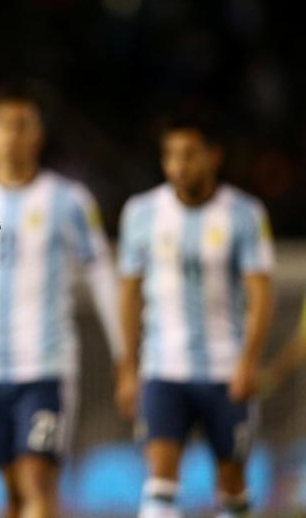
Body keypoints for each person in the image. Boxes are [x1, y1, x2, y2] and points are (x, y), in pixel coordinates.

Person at [0, 88, 121, 518]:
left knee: (37, 477)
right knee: (11, 490)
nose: (14, 136)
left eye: (23, 125)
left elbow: (103, 277)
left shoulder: (67, 200)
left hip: (46, 366)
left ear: (38, 134)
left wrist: (125, 356)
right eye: (4, 125)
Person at [114, 118, 274, 518]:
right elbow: (130, 294)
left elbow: (261, 294)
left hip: (226, 371)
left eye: (189, 154)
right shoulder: (142, 212)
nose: (178, 165)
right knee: (160, 489)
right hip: (163, 369)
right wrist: (129, 368)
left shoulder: (245, 214)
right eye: (170, 155)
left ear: (213, 157)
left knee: (232, 490)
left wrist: (249, 363)